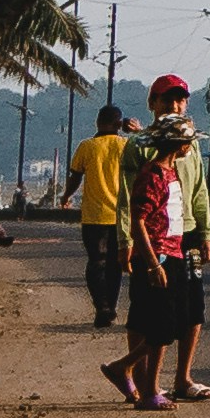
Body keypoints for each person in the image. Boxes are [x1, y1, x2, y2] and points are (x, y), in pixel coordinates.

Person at [108, 79, 210, 409]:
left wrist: (207, 231)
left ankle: (182, 378)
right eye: (168, 100)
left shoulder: (190, 143)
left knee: (190, 309)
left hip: (187, 235)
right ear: (152, 102)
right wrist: (126, 239)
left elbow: (199, 189)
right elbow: (128, 199)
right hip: (153, 243)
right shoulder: (139, 146)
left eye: (180, 100)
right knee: (147, 312)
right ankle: (142, 383)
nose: (175, 106)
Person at [75, 93, 135, 335]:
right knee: (115, 266)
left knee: (95, 263)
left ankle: (102, 306)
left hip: (93, 216)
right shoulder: (127, 146)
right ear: (119, 124)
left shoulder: (87, 146)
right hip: (121, 217)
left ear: (98, 122)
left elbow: (75, 175)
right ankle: (111, 306)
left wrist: (67, 196)